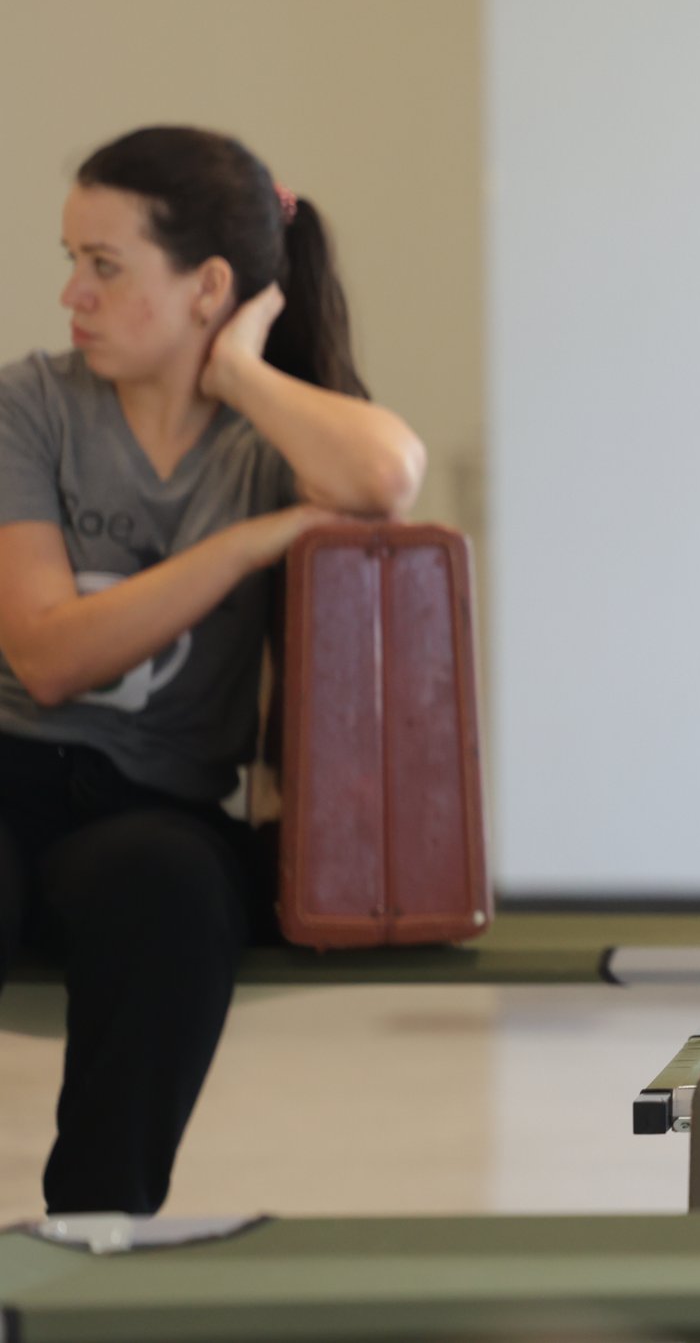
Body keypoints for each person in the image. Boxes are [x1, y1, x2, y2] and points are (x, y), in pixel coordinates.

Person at [0, 126, 426, 1214]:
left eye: (105, 266)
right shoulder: (29, 404)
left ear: (209, 287)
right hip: (11, 770)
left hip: (155, 806)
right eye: (71, 260)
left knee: (174, 891)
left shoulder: (264, 441)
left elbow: (388, 472)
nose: (72, 294)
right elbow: (46, 654)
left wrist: (238, 371)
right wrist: (245, 544)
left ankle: (97, 1236)